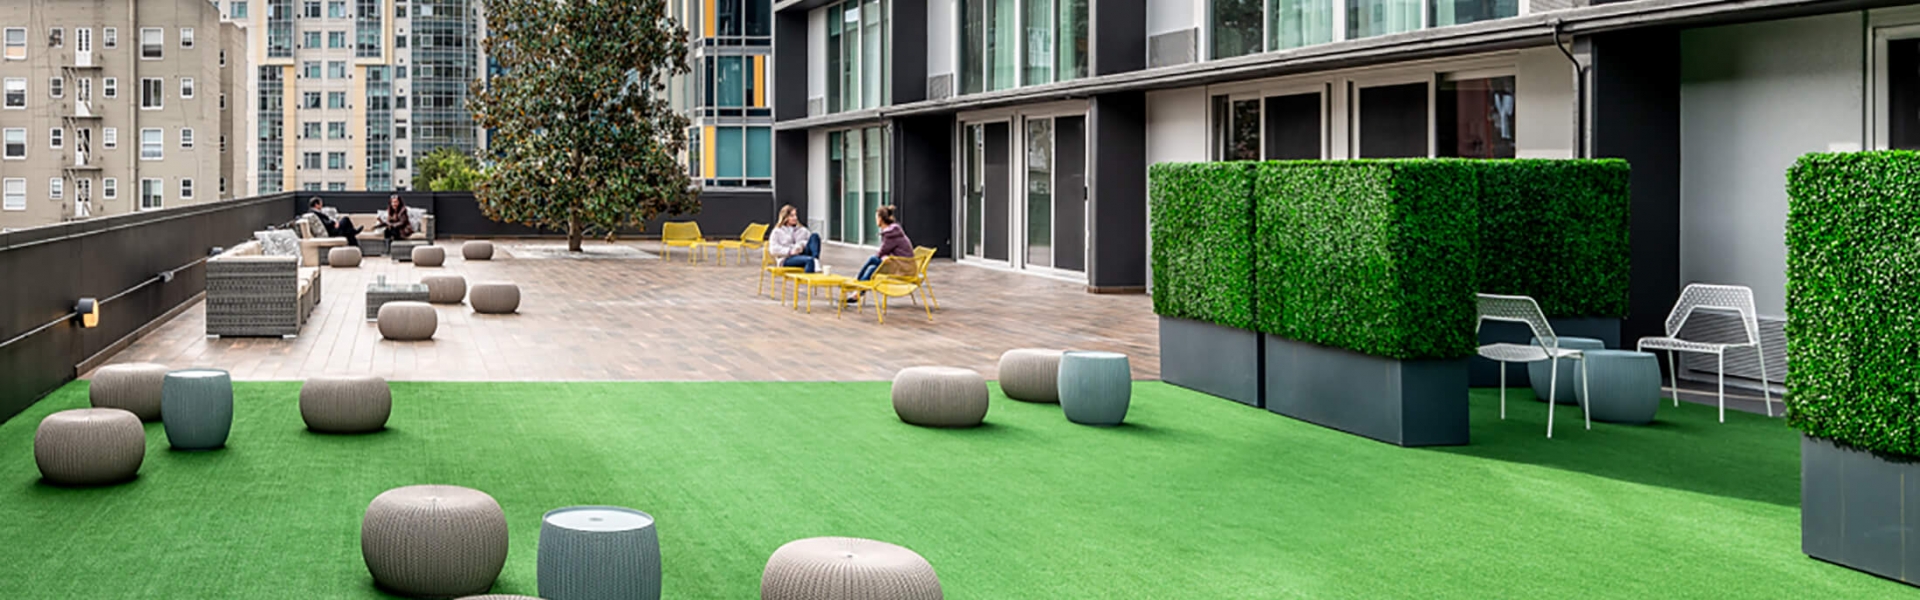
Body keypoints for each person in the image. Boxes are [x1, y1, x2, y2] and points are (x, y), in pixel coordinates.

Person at [849, 205, 913, 302]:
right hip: (902, 264)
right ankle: (857, 292)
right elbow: (886, 251)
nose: (875, 220)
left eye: (876, 217)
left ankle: (857, 283)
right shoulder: (894, 231)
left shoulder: (890, 234)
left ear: (881, 219)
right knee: (872, 268)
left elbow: (881, 252)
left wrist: (883, 256)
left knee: (873, 259)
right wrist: (884, 256)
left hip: (902, 268)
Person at [767, 205, 820, 273]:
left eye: (795, 215)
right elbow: (773, 249)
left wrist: (801, 245)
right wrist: (790, 251)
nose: (795, 218)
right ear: (785, 217)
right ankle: (808, 282)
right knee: (809, 260)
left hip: (802, 253)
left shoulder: (802, 230)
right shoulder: (777, 231)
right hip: (787, 258)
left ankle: (815, 259)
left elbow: (810, 243)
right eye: (792, 216)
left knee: (815, 236)